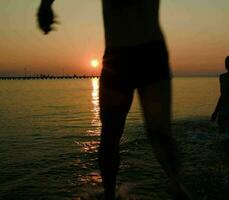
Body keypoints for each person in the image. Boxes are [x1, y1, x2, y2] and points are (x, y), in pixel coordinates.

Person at [36, 1, 190, 199]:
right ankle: (109, 194)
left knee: (159, 132)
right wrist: (46, 4)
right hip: (118, 58)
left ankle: (177, 187)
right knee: (110, 133)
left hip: (151, 53)